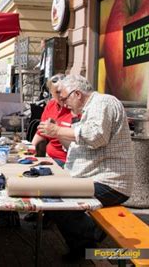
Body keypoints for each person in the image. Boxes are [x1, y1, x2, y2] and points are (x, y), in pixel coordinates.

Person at [38, 75, 134, 262]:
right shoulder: (90, 109)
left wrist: (57, 131)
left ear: (78, 94)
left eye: (65, 99)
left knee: (57, 201)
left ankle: (89, 241)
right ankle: (86, 241)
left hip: (110, 182)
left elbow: (95, 137)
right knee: (51, 193)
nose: (64, 104)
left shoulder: (102, 103)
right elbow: (77, 144)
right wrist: (56, 133)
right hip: (94, 177)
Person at [31, 74, 74, 167]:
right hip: (48, 156)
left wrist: (57, 131)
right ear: (51, 92)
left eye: (64, 91)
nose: (62, 95)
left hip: (66, 160)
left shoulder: (75, 108)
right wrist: (30, 150)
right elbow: (41, 132)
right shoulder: (51, 105)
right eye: (58, 92)